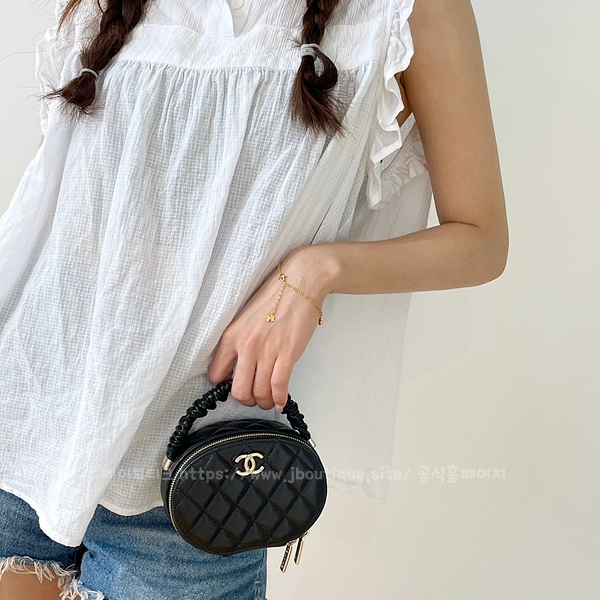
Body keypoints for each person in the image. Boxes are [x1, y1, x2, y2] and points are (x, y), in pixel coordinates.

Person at [0, 0, 508, 598]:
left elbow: (481, 239)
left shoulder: (404, 11)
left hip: (195, 469)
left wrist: (315, 270)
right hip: (25, 417)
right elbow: (53, 212)